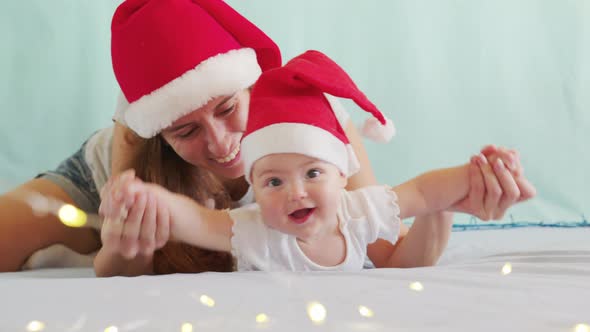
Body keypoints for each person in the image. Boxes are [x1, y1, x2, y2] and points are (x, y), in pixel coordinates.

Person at [0, 0, 534, 274]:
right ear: (158, 130)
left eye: (230, 108)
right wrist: (123, 246)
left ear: (251, 81)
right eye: (185, 130)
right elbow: (125, 274)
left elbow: (391, 257)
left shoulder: (316, 136)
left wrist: (451, 201)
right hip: (99, 185)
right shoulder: (134, 152)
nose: (220, 143)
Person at [99, 50, 532, 271]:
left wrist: (476, 176)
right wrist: (141, 196)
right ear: (254, 183)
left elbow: (422, 191)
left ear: (342, 173)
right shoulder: (255, 229)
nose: (296, 192)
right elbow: (190, 218)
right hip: (100, 165)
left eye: (312, 174)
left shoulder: (357, 211)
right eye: (272, 182)